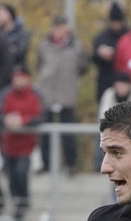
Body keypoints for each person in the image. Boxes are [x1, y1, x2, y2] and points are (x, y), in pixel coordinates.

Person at [36, 15, 88, 175]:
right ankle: (46, 163)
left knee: (68, 133)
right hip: (47, 95)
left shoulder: (76, 46)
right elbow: (39, 65)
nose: (58, 30)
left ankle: (71, 164)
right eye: (56, 26)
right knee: (45, 132)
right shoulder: (44, 45)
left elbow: (83, 67)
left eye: (62, 26)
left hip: (67, 95)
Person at [0, 66, 42, 221]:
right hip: (8, 145)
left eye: (20, 78)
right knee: (11, 177)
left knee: (21, 173)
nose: (17, 81)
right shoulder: (7, 95)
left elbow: (40, 117)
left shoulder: (34, 96)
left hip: (25, 146)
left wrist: (23, 121)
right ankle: (17, 202)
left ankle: (23, 203)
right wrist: (6, 120)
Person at [92, 2, 129, 104]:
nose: (116, 25)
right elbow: (94, 58)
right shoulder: (101, 38)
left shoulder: (129, 36)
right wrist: (100, 54)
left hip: (126, 82)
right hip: (106, 81)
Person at [0, 3, 31, 73]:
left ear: (9, 14)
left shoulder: (21, 33)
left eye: (0, 14)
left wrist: (6, 51)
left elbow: (20, 52)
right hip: (1, 72)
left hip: (17, 70)